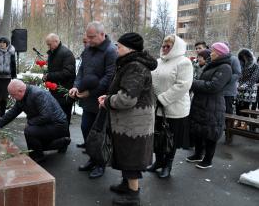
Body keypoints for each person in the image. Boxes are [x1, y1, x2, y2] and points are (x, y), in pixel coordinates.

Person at [99, 32, 157, 206]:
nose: (116, 48)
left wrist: (108, 100)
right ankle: (126, 185)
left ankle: (133, 195)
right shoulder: (130, 64)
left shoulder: (135, 67)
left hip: (134, 123)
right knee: (125, 153)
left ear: (130, 48)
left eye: (119, 46)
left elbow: (127, 99)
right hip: (129, 121)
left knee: (131, 157)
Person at [69, 21, 117, 179]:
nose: (88, 40)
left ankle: (100, 163)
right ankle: (92, 158)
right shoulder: (89, 49)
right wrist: (76, 86)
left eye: (92, 37)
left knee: (99, 134)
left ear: (102, 34)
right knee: (85, 128)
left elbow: (109, 77)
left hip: (101, 100)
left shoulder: (111, 51)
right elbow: (81, 70)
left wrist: (90, 92)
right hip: (88, 99)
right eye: (87, 37)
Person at [0, 79, 70, 162]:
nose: (12, 98)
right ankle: (60, 143)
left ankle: (38, 156)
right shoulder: (23, 96)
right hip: (49, 124)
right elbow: (12, 112)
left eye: (13, 95)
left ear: (20, 91)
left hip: (58, 125)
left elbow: (46, 116)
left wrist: (30, 122)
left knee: (30, 131)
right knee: (32, 132)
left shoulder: (38, 94)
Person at [148, 34, 193, 178]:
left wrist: (163, 99)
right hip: (156, 107)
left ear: (176, 47)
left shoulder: (184, 62)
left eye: (169, 46)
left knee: (169, 139)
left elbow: (183, 85)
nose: (165, 48)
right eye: (163, 46)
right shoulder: (158, 61)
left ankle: (168, 165)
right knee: (157, 138)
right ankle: (159, 162)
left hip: (174, 109)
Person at [187, 42, 232, 169]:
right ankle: (198, 154)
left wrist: (194, 83)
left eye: (212, 51)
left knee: (210, 132)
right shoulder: (212, 65)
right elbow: (205, 82)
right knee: (198, 130)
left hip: (213, 105)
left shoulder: (225, 68)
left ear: (219, 53)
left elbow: (214, 86)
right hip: (201, 102)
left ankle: (208, 160)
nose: (210, 53)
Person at [43, 33, 76, 135]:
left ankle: (64, 140)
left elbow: (68, 73)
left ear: (56, 41)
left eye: (49, 44)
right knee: (56, 119)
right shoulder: (53, 53)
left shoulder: (66, 54)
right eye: (47, 45)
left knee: (64, 118)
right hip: (55, 91)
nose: (48, 47)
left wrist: (49, 76)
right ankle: (58, 139)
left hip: (64, 92)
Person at [236, 48, 259, 117]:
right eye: (242, 56)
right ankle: (239, 123)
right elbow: (238, 76)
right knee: (239, 107)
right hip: (240, 90)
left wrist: (243, 86)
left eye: (245, 56)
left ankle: (245, 125)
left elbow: (253, 79)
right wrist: (237, 84)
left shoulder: (255, 66)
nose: (244, 57)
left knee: (247, 108)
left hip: (250, 91)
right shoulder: (241, 65)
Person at [222, 43, 241, 114]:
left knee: (228, 110)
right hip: (219, 91)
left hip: (229, 91)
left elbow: (237, 73)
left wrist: (226, 80)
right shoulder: (219, 59)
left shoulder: (233, 59)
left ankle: (229, 125)